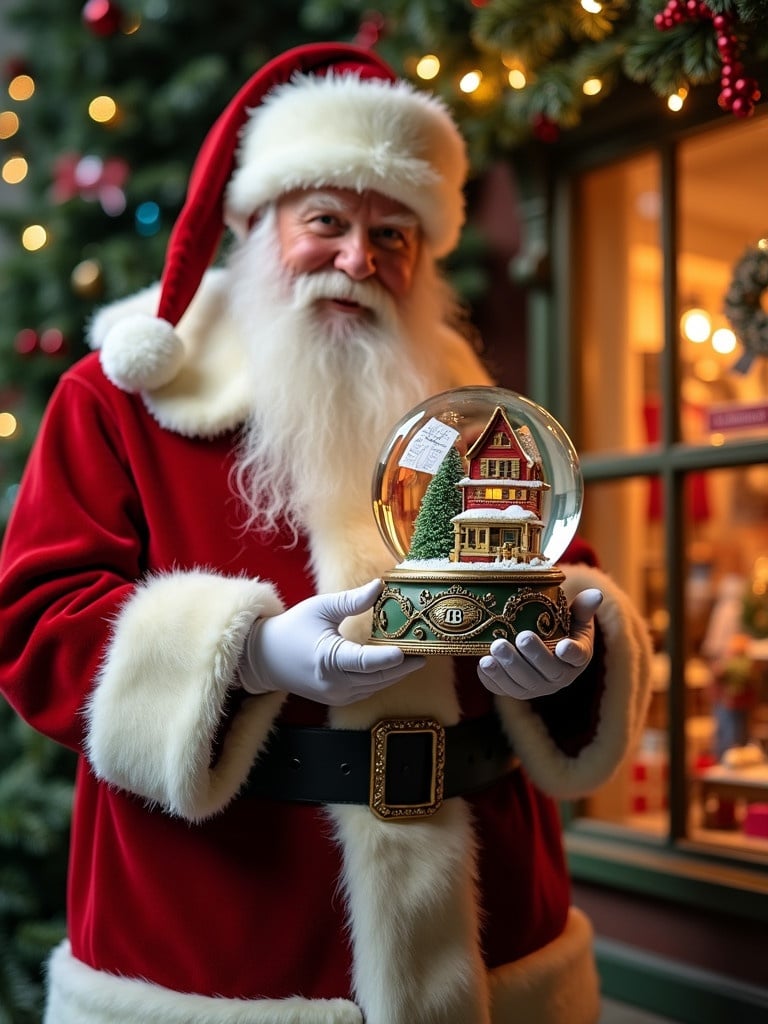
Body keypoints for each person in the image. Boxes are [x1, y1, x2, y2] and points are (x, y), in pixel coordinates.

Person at [0, 42, 652, 1024]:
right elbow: (36, 628)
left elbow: (566, 579)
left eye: (395, 235)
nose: (359, 259)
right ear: (259, 224)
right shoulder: (126, 399)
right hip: (224, 930)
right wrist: (251, 654)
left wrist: (571, 655)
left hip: (493, 927)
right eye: (327, 223)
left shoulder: (474, 417)